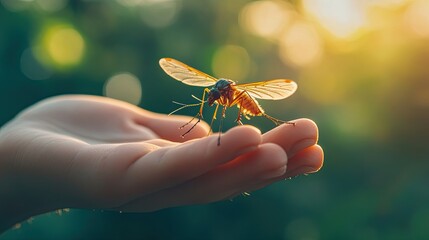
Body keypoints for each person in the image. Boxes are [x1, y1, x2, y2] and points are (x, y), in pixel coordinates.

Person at [0, 95, 324, 233]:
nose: (210, 98)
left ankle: (265, 119)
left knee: (241, 123)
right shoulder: (214, 94)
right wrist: (11, 171)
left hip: (250, 107)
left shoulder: (232, 95)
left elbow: (230, 102)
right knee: (214, 127)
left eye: (212, 96)